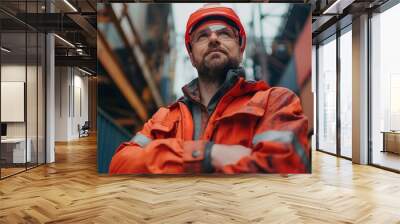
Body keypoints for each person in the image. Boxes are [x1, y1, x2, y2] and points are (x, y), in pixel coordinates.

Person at [109, 4, 310, 174]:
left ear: (241, 50)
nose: (214, 39)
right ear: (192, 56)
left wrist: (167, 164)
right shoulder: (163, 118)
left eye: (224, 33)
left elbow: (283, 170)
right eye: (202, 36)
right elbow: (120, 164)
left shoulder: (275, 102)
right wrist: (208, 155)